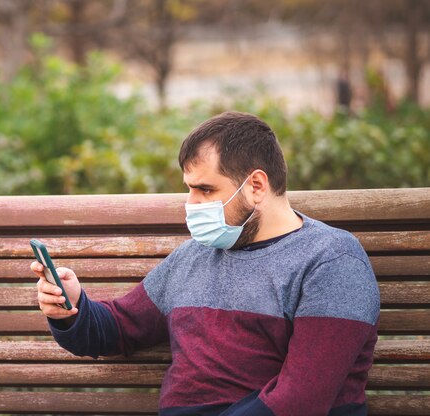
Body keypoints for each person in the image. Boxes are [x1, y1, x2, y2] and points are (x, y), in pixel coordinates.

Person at [31, 111, 380, 416]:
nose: (191, 204)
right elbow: (120, 327)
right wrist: (71, 307)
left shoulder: (331, 261)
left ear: (256, 185)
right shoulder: (196, 255)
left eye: (206, 190)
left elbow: (301, 400)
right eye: (189, 189)